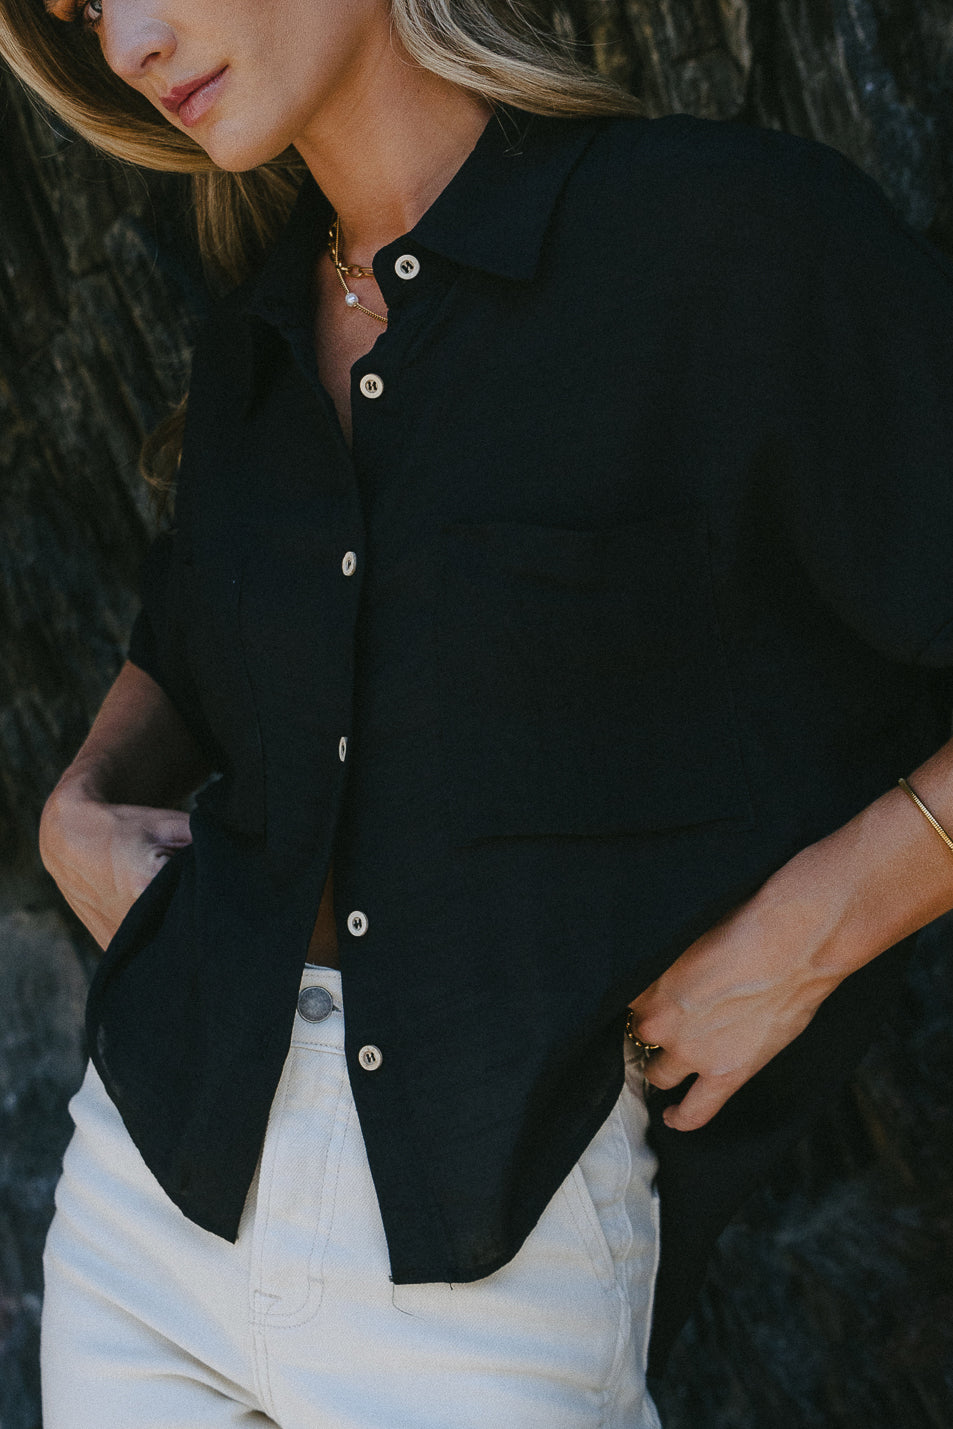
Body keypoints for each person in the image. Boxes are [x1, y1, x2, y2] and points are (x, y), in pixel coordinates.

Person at [3, 0, 953, 1423]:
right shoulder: (260, 326)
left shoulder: (721, 240)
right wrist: (77, 806)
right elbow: (194, 641)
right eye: (80, 11)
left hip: (495, 1258)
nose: (127, 42)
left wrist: (811, 928)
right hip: (146, 1214)